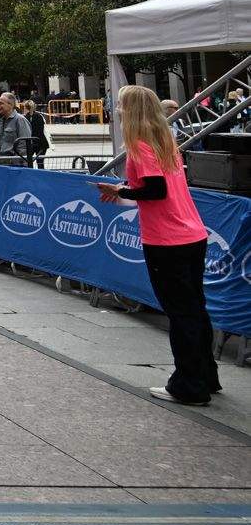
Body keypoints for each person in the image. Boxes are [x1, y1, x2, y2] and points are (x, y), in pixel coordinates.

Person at [96, 86, 219, 405]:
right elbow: (157, 188)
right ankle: (206, 373)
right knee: (195, 308)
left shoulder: (139, 145)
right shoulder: (165, 142)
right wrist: (124, 190)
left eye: (121, 105)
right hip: (192, 234)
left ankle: (189, 384)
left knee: (181, 313)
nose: (118, 111)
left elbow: (154, 190)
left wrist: (123, 191)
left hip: (167, 239)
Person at [22, 99, 49, 167]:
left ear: (26, 108)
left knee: (29, 161)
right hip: (41, 142)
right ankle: (41, 176)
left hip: (31, 142)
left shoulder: (25, 118)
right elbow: (41, 129)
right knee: (40, 163)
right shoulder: (39, 116)